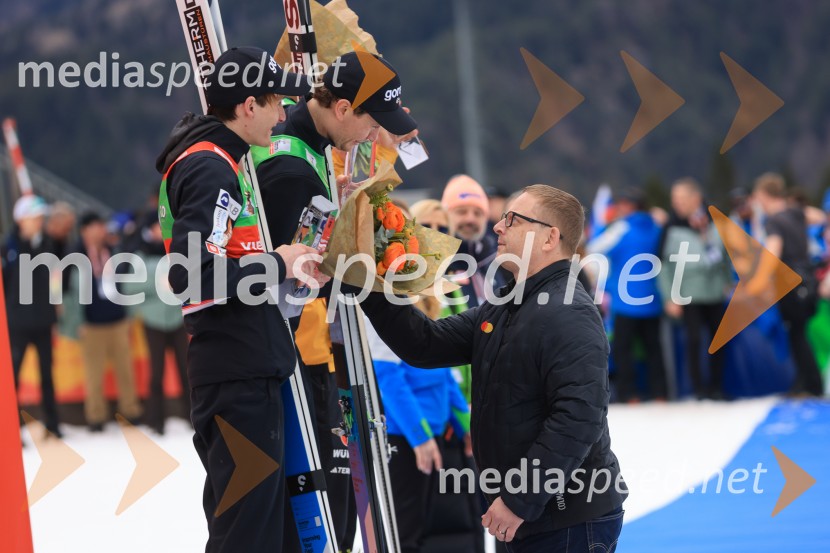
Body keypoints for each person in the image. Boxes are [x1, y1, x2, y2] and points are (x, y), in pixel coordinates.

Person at [359, 185, 627, 552]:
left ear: (550, 238)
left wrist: (520, 500)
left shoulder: (570, 312)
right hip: (526, 512)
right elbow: (425, 344)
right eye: (502, 218)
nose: (497, 226)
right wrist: (369, 284)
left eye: (513, 220)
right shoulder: (507, 303)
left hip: (566, 517)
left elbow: (577, 419)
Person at [154, 46, 324, 553]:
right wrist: (279, 262)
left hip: (244, 367)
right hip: (235, 374)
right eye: (276, 104)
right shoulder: (209, 167)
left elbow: (221, 264)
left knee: (260, 530)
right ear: (249, 106)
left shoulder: (224, 161)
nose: (283, 117)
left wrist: (280, 273)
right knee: (245, 534)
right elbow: (188, 274)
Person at [251, 50, 417, 551]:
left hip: (308, 348)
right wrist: (358, 258)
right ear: (343, 107)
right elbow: (296, 278)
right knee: (323, 513)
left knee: (333, 507)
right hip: (295, 357)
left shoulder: (311, 147)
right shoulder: (290, 166)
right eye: (372, 122)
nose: (376, 136)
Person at [61, 211, 143, 431]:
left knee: (125, 370)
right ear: (84, 230)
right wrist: (76, 321)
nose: (100, 231)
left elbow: (127, 279)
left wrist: (128, 313)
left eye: (101, 226)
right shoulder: (75, 254)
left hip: (117, 319)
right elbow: (67, 291)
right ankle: (96, 417)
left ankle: (131, 410)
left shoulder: (114, 249)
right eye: (95, 226)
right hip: (91, 324)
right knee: (93, 374)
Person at [587, 188, 666, 402]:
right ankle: (660, 393)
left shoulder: (622, 227)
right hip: (653, 298)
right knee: (654, 348)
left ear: (631, 206)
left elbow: (595, 246)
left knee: (623, 349)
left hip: (625, 300)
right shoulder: (657, 226)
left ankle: (630, 395)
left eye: (623, 204)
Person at [658, 178, 731, 400]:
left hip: (715, 292)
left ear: (696, 199)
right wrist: (669, 297)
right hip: (687, 293)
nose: (676, 203)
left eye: (680, 199)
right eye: (674, 200)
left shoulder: (715, 222)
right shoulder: (671, 226)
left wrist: (728, 281)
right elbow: (662, 265)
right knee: (694, 340)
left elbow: (727, 256)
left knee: (719, 340)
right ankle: (699, 389)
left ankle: (716, 387)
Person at [750, 173, 823, 396]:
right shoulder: (794, 212)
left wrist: (759, 281)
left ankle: (809, 384)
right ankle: (809, 382)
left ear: (764, 195)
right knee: (801, 333)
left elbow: (773, 251)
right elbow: (819, 216)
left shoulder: (774, 220)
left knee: (796, 335)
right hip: (808, 280)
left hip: (789, 283)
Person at [122, 214, 190, 435]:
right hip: (153, 320)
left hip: (177, 318)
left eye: (159, 228)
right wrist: (157, 286)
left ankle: (192, 415)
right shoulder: (139, 257)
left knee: (186, 369)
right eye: (153, 228)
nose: (156, 232)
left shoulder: (175, 252)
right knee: (157, 372)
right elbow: (130, 289)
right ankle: (156, 420)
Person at [1, 195, 62, 437]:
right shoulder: (9, 246)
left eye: (40, 218)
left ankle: (53, 425)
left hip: (43, 320)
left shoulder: (47, 242)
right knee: (12, 376)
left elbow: (55, 277)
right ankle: (12, 427)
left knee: (47, 375)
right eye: (35, 218)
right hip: (17, 322)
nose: (40, 222)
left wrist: (56, 304)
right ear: (22, 220)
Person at [442, 175, 507, 307]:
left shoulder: (492, 259)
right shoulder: (436, 262)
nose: (470, 219)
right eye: (462, 212)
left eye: (477, 213)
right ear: (445, 216)